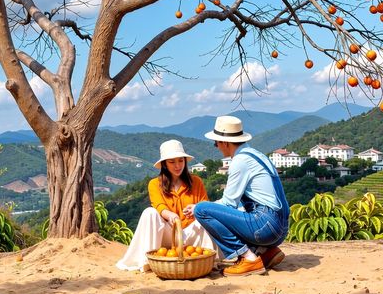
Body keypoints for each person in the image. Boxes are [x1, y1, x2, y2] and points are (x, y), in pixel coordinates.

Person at [193, 115, 289, 277]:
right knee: (240, 210)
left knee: (202, 210)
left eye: (216, 142)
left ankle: (248, 258)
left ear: (224, 142)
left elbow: (228, 204)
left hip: (266, 226)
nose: (216, 146)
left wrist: (197, 206)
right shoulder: (256, 155)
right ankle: (265, 251)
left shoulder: (240, 161)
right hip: (281, 228)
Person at [116, 139, 216, 271]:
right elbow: (159, 206)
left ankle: (208, 261)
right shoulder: (154, 184)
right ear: (164, 164)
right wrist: (170, 216)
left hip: (192, 234)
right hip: (168, 234)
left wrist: (196, 209)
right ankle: (147, 261)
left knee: (206, 216)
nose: (177, 166)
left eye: (181, 160)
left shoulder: (196, 181)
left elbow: (204, 205)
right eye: (172, 162)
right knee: (149, 212)